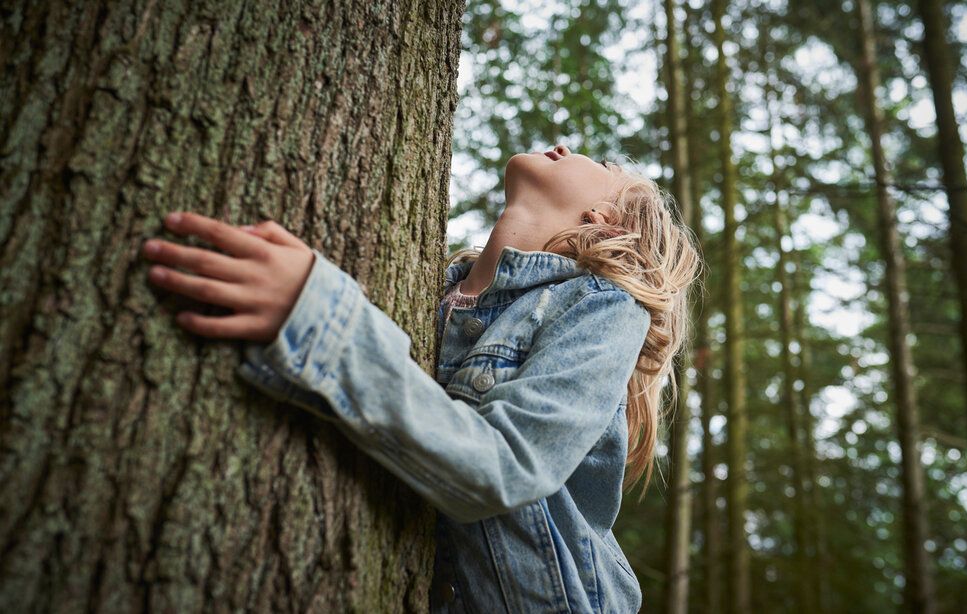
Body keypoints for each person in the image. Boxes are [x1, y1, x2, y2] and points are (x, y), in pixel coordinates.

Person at [141, 143, 701, 613]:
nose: (568, 147)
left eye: (600, 165)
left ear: (605, 221)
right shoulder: (429, 294)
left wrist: (324, 323)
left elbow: (507, 465)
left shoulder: (603, 305)